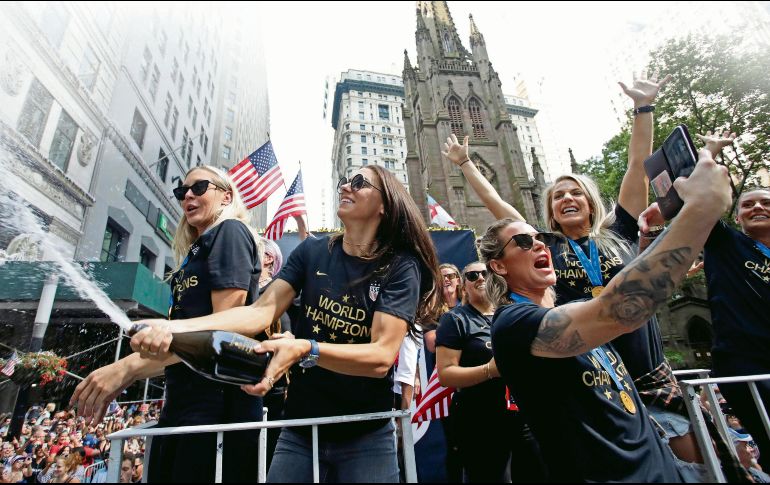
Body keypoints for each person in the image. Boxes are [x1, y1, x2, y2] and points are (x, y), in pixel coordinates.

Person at [131, 166, 440, 483]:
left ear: (384, 203)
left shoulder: (401, 267)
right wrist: (173, 329)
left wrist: (306, 348)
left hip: (366, 434)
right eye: (344, 179)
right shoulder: (312, 251)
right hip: (300, 430)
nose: (345, 186)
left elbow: (381, 356)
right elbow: (259, 312)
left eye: (359, 182)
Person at [482, 148, 733, 481]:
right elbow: (616, 311)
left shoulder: (577, 309)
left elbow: (621, 306)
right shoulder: (513, 324)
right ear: (498, 265)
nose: (541, 245)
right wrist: (702, 209)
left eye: (540, 239)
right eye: (524, 243)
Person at [71, 165, 263, 483]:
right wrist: (125, 374)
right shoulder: (198, 250)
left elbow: (224, 334)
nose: (187, 194)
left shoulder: (229, 232)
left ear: (226, 197)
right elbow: (182, 348)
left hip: (216, 413)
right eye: (181, 191)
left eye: (199, 187)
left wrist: (128, 368)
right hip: (182, 410)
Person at [436, 262, 545, 482]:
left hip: (524, 414)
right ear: (463, 286)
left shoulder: (514, 313)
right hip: (481, 420)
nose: (480, 278)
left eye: (486, 273)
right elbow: (446, 374)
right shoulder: (455, 319)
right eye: (472, 275)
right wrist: (489, 370)